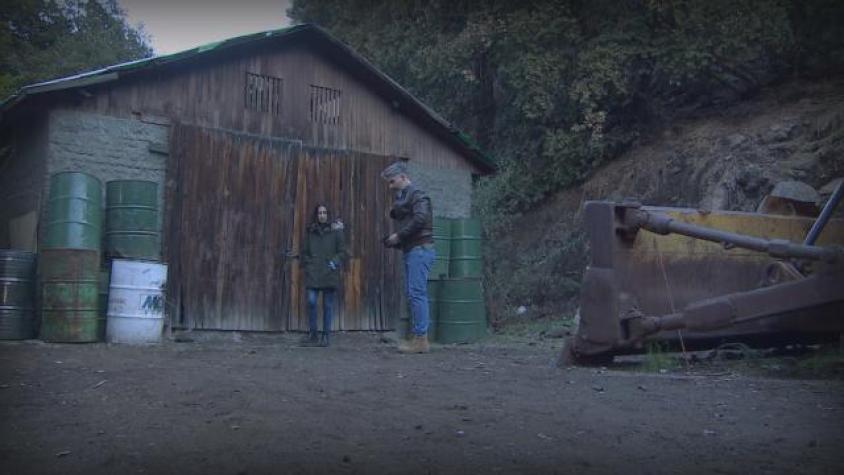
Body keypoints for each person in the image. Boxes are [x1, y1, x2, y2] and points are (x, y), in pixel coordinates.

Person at [381, 161, 435, 354]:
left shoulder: (418, 194)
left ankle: (421, 340)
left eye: (392, 181)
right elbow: (407, 215)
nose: (390, 185)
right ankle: (418, 338)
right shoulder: (405, 196)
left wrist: (399, 236)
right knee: (414, 293)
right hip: (413, 250)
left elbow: (420, 219)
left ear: (403, 177)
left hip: (420, 250)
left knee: (417, 293)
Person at [300, 204, 346, 347]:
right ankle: (313, 334)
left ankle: (326, 336)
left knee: (327, 306)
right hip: (314, 273)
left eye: (324, 212)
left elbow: (343, 252)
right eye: (319, 212)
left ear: (328, 214)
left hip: (329, 274)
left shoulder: (336, 232)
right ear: (316, 215)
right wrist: (309, 264)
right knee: (312, 302)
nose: (322, 215)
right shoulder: (310, 232)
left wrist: (334, 262)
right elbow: (305, 252)